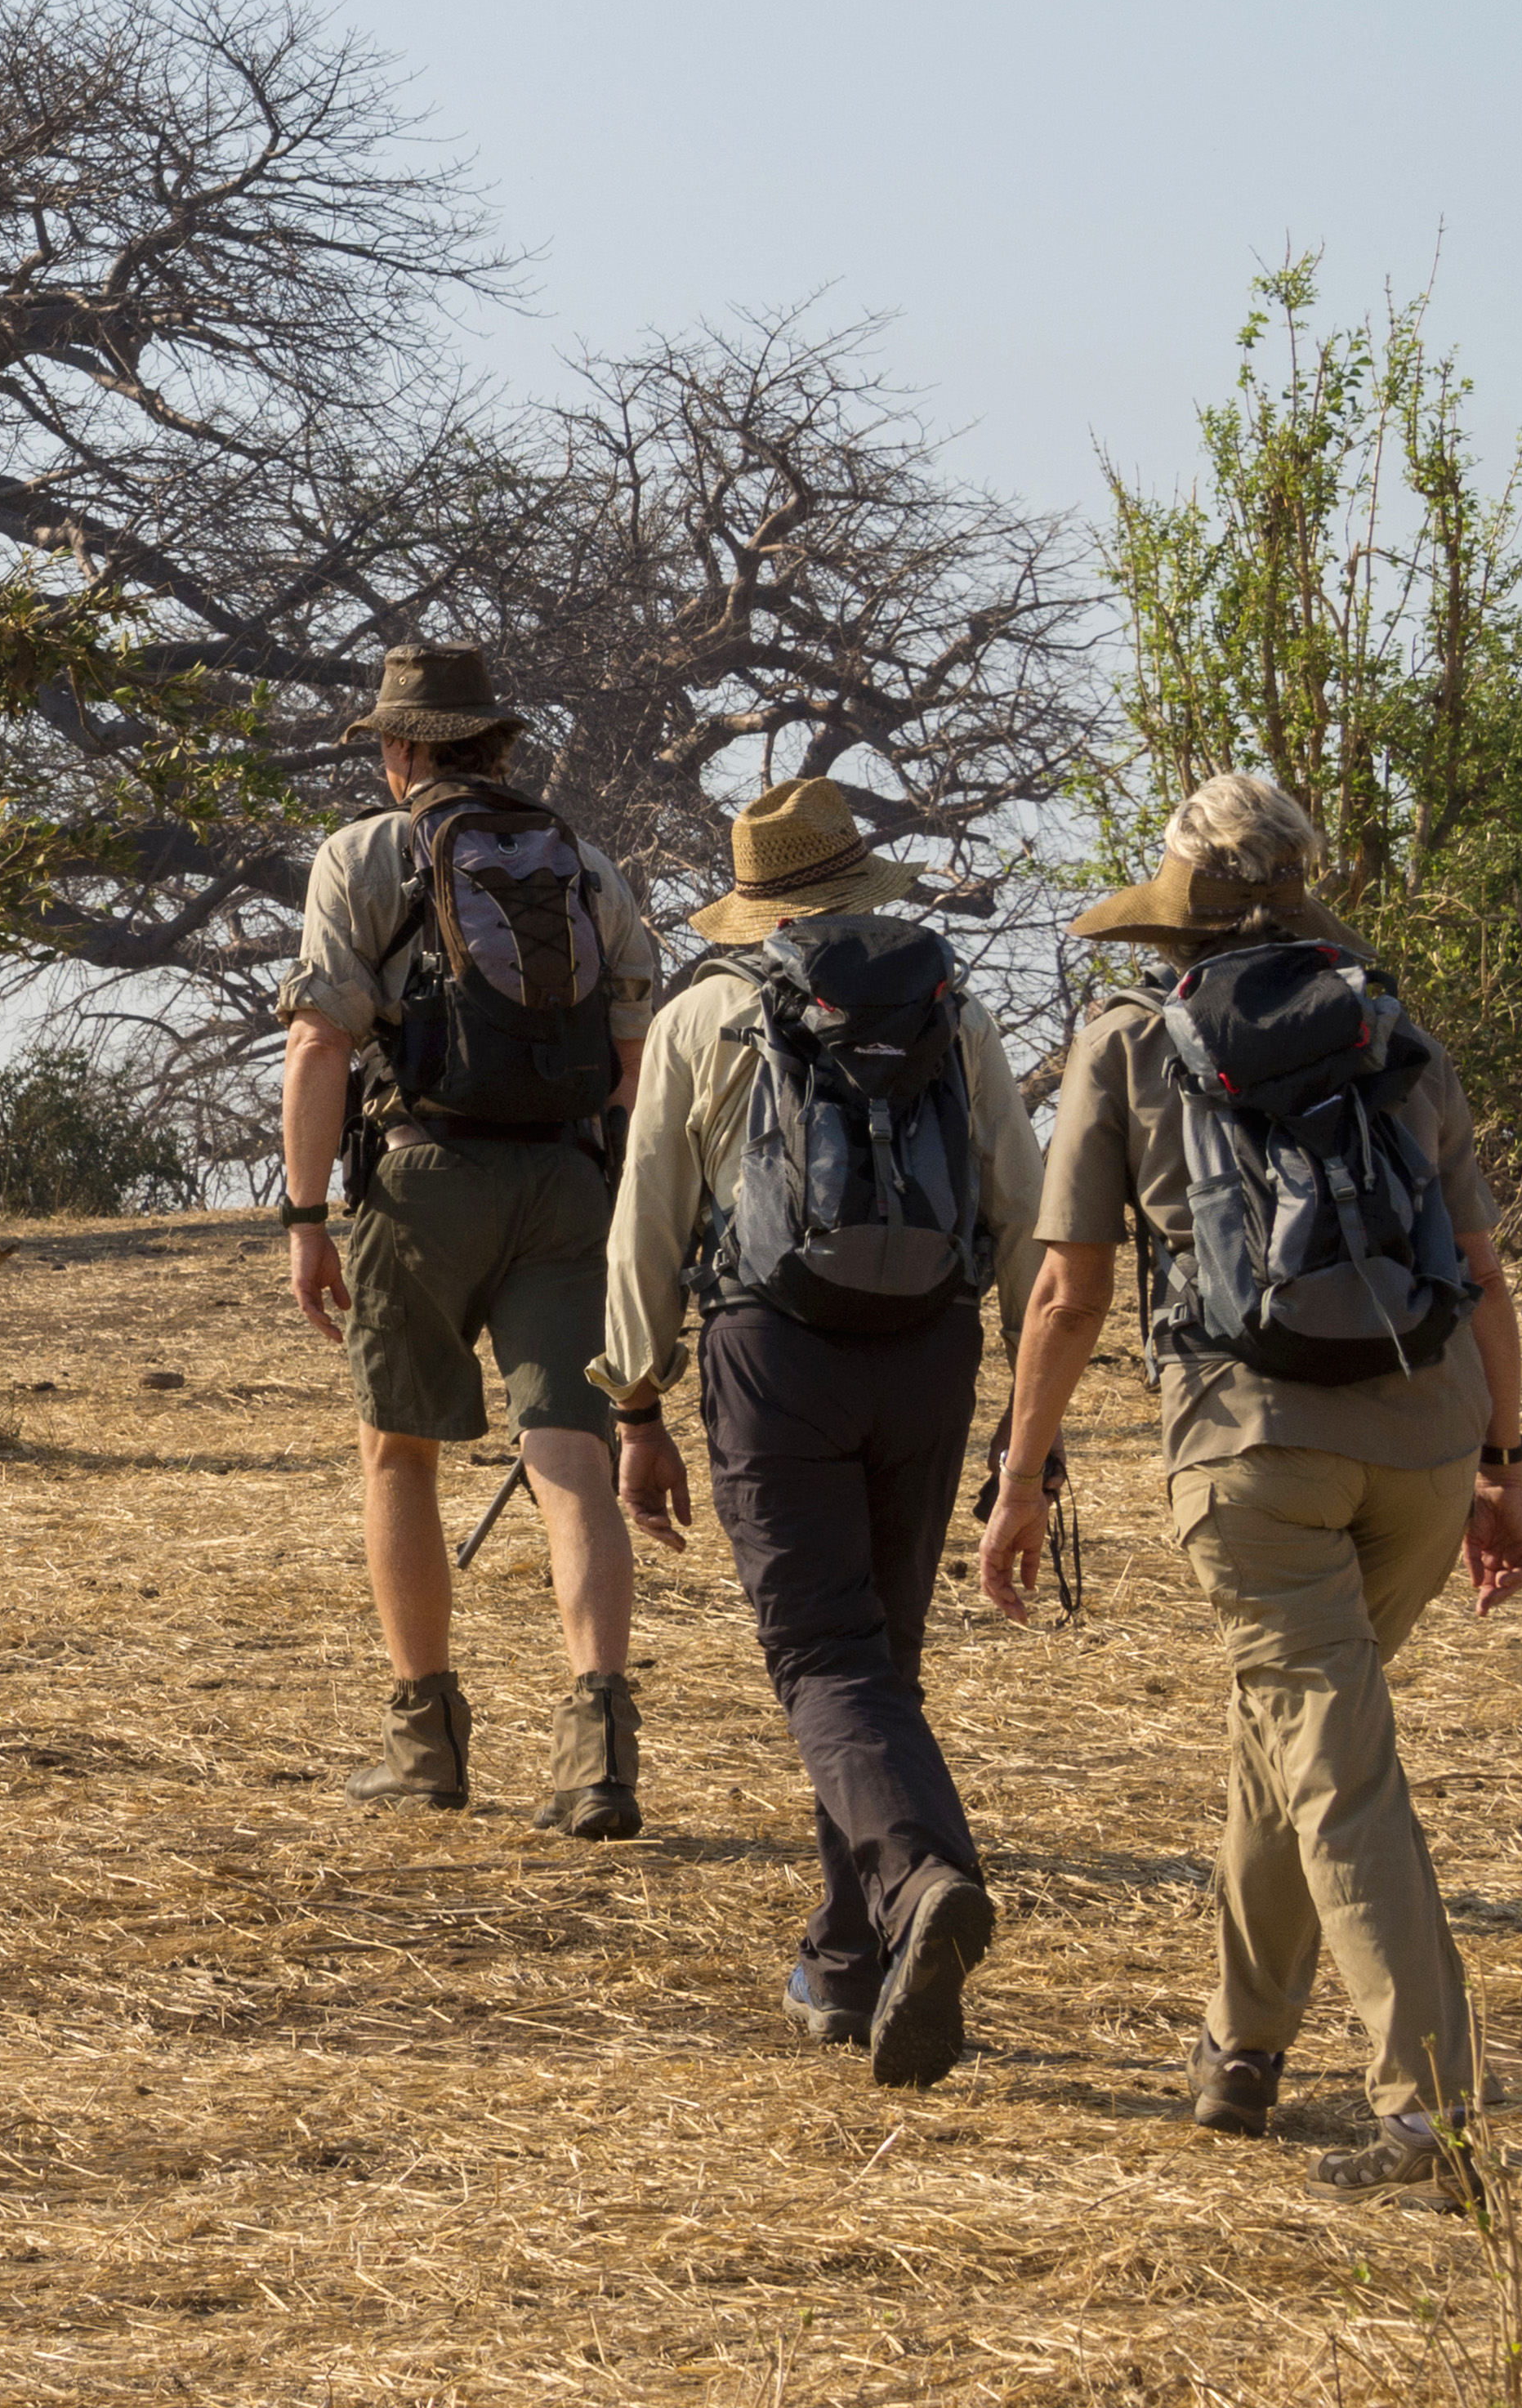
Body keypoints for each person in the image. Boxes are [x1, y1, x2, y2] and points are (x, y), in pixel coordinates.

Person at [976, 771, 1522, 2199]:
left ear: (1179, 905)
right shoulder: (1394, 1033)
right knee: (1289, 1736)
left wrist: (1022, 1472)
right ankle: (1240, 2049)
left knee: (1334, 1768)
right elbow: (1478, 1277)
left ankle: (1430, 2119)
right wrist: (1504, 1465)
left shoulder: (1125, 1041)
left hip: (1251, 1453)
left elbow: (1068, 1293)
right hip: (1426, 1445)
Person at [601, 776, 1045, 2086]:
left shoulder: (702, 1016)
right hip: (933, 1351)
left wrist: (635, 1400)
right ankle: (851, 1959)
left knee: (821, 1656)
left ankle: (918, 1885)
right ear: (860, 884)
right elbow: (1021, 1203)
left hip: (771, 1350)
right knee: (875, 1662)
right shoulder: (951, 1006)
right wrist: (1035, 1408)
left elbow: (644, 1221)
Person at [273, 643, 660, 1834]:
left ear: (402, 749)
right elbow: (637, 1057)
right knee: (572, 1458)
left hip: (422, 1176)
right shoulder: (586, 865)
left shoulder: (365, 854)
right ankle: (597, 1751)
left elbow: (320, 1042)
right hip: (567, 1180)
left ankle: (425, 1740)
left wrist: (302, 1219)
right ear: (495, 743)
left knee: (399, 1452)